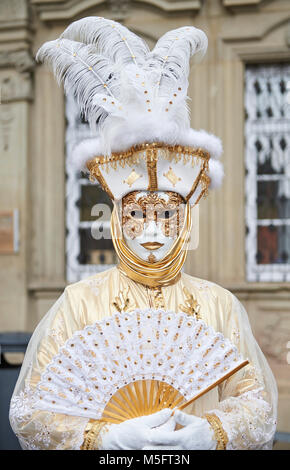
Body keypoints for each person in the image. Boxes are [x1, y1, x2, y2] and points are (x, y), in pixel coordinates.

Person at [9, 16, 277, 450]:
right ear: (116, 217)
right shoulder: (79, 304)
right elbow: (31, 410)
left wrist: (211, 433)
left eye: (168, 214)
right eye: (136, 212)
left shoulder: (218, 305)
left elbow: (257, 404)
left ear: (186, 219)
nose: (152, 228)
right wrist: (104, 437)